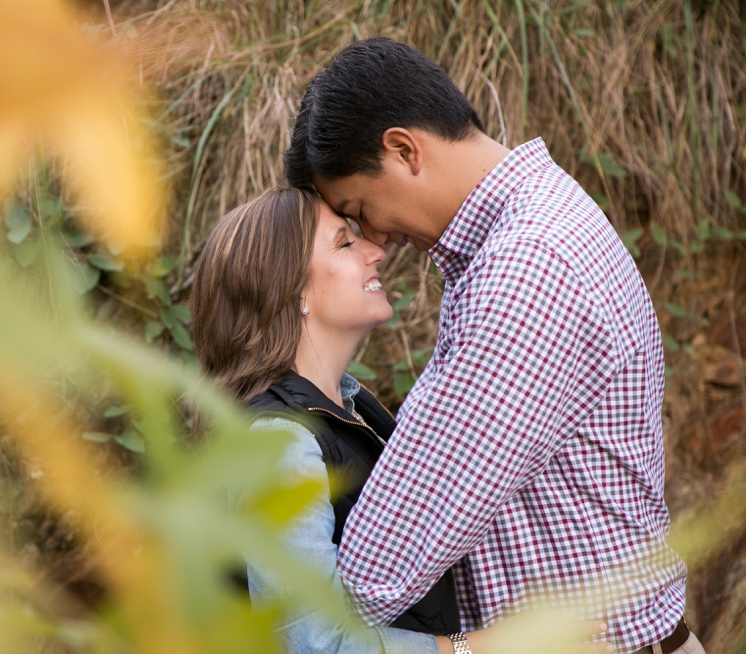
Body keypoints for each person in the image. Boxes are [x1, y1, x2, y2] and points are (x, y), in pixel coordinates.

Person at [283, 37, 700, 654]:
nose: (375, 237)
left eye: (358, 209)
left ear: (403, 149)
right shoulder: (530, 231)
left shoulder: (526, 270)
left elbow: (377, 572)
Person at [190, 187, 609, 654]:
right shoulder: (280, 440)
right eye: (345, 243)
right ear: (291, 290)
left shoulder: (352, 408)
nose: (376, 252)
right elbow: (312, 643)